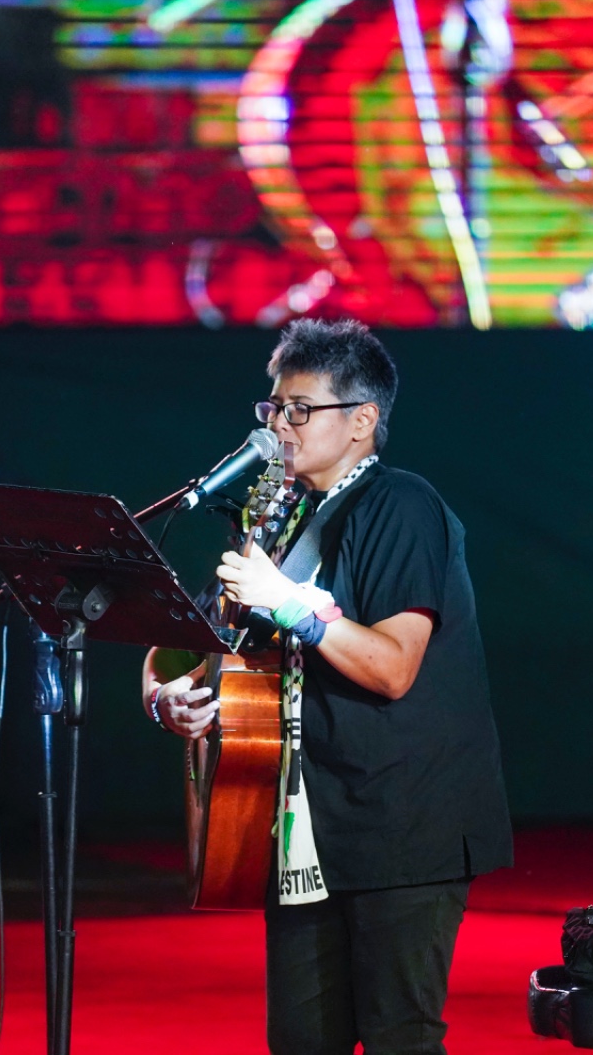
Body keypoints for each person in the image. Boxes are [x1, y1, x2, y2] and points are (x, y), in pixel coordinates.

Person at [141, 318, 513, 1055]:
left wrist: (290, 605)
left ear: (362, 421)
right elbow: (179, 644)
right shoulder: (276, 516)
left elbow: (393, 667)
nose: (279, 425)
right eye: (274, 407)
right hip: (301, 830)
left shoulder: (400, 506)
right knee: (301, 1040)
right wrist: (162, 697)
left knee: (399, 1038)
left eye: (301, 409)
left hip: (400, 823)